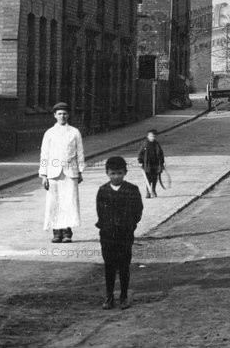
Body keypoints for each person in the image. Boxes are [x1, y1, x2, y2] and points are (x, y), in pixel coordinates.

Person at [96, 156, 143, 310]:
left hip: (124, 235)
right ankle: (109, 297)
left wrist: (130, 226)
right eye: (113, 173)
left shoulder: (132, 189)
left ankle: (123, 296)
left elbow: (138, 211)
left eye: (119, 173)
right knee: (109, 266)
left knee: (124, 266)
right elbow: (100, 212)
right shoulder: (103, 190)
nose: (116, 176)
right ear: (107, 173)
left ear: (125, 173)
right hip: (108, 235)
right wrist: (106, 227)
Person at [39, 102, 85, 243]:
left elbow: (80, 153)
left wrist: (80, 171)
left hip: (70, 173)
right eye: (59, 114)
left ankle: (67, 233)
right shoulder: (49, 133)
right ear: (54, 115)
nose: (62, 116)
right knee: (55, 202)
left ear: (68, 115)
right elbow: (44, 154)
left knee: (68, 202)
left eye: (64, 113)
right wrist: (44, 175)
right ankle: (56, 232)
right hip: (53, 173)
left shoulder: (74, 132)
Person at [137, 129, 165, 198]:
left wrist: (162, 162)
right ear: (148, 136)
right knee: (148, 178)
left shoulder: (156, 144)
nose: (152, 138)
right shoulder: (145, 144)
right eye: (151, 136)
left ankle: (153, 190)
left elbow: (161, 154)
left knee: (155, 178)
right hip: (148, 164)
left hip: (155, 164)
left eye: (154, 136)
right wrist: (140, 161)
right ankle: (148, 192)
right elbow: (140, 153)